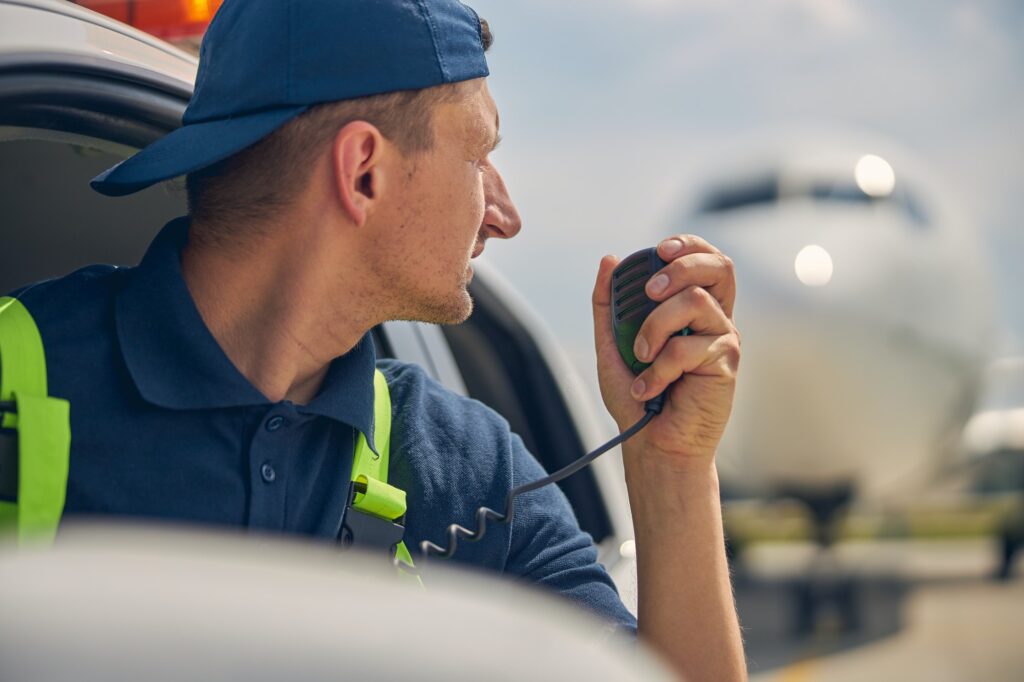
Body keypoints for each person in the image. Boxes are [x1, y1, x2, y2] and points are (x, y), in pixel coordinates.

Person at [3, 0, 744, 679]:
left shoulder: (469, 466)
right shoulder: (16, 378)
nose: (503, 213)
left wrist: (674, 467)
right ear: (363, 172)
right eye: (477, 154)